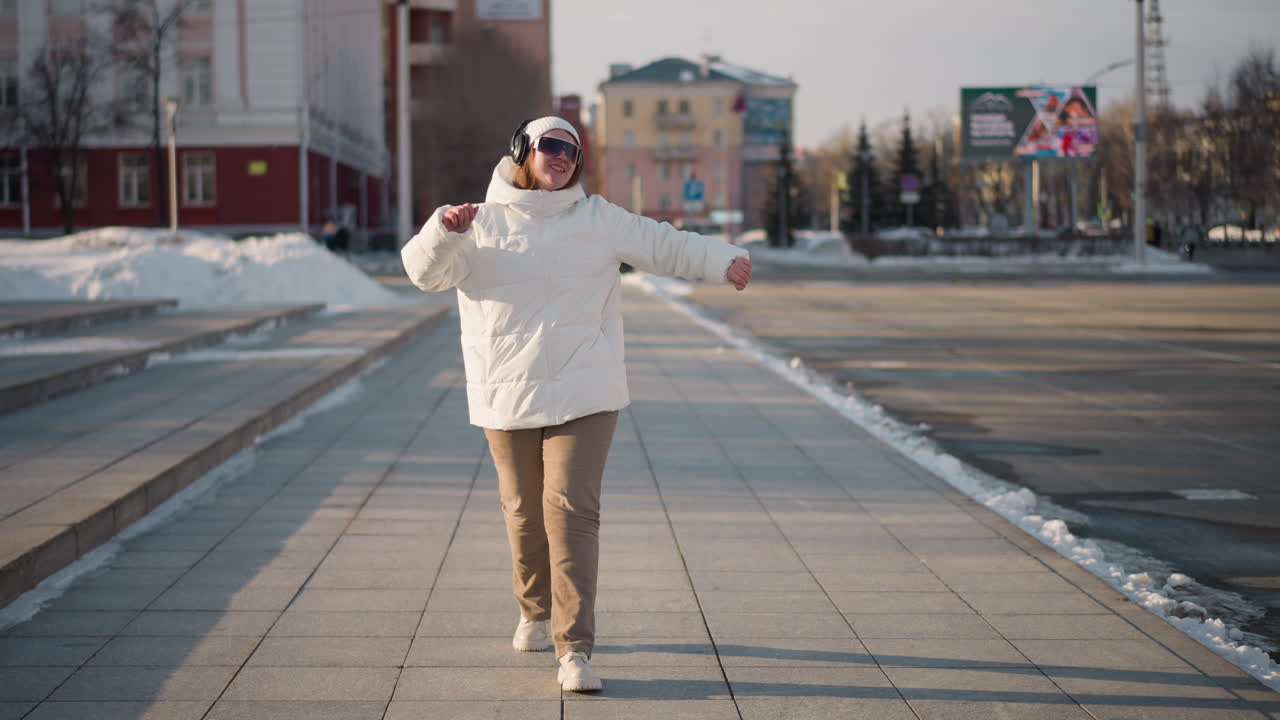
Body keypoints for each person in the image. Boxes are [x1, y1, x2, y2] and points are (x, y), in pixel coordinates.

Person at [401, 116, 752, 692]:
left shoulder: (598, 219)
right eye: (550, 146)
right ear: (522, 151)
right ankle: (533, 611)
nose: (562, 156)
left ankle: (575, 650)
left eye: (571, 149)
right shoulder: (478, 223)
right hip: (506, 389)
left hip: (585, 389)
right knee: (522, 510)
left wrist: (720, 258)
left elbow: (662, 241)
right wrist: (442, 228)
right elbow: (423, 274)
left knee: (569, 509)